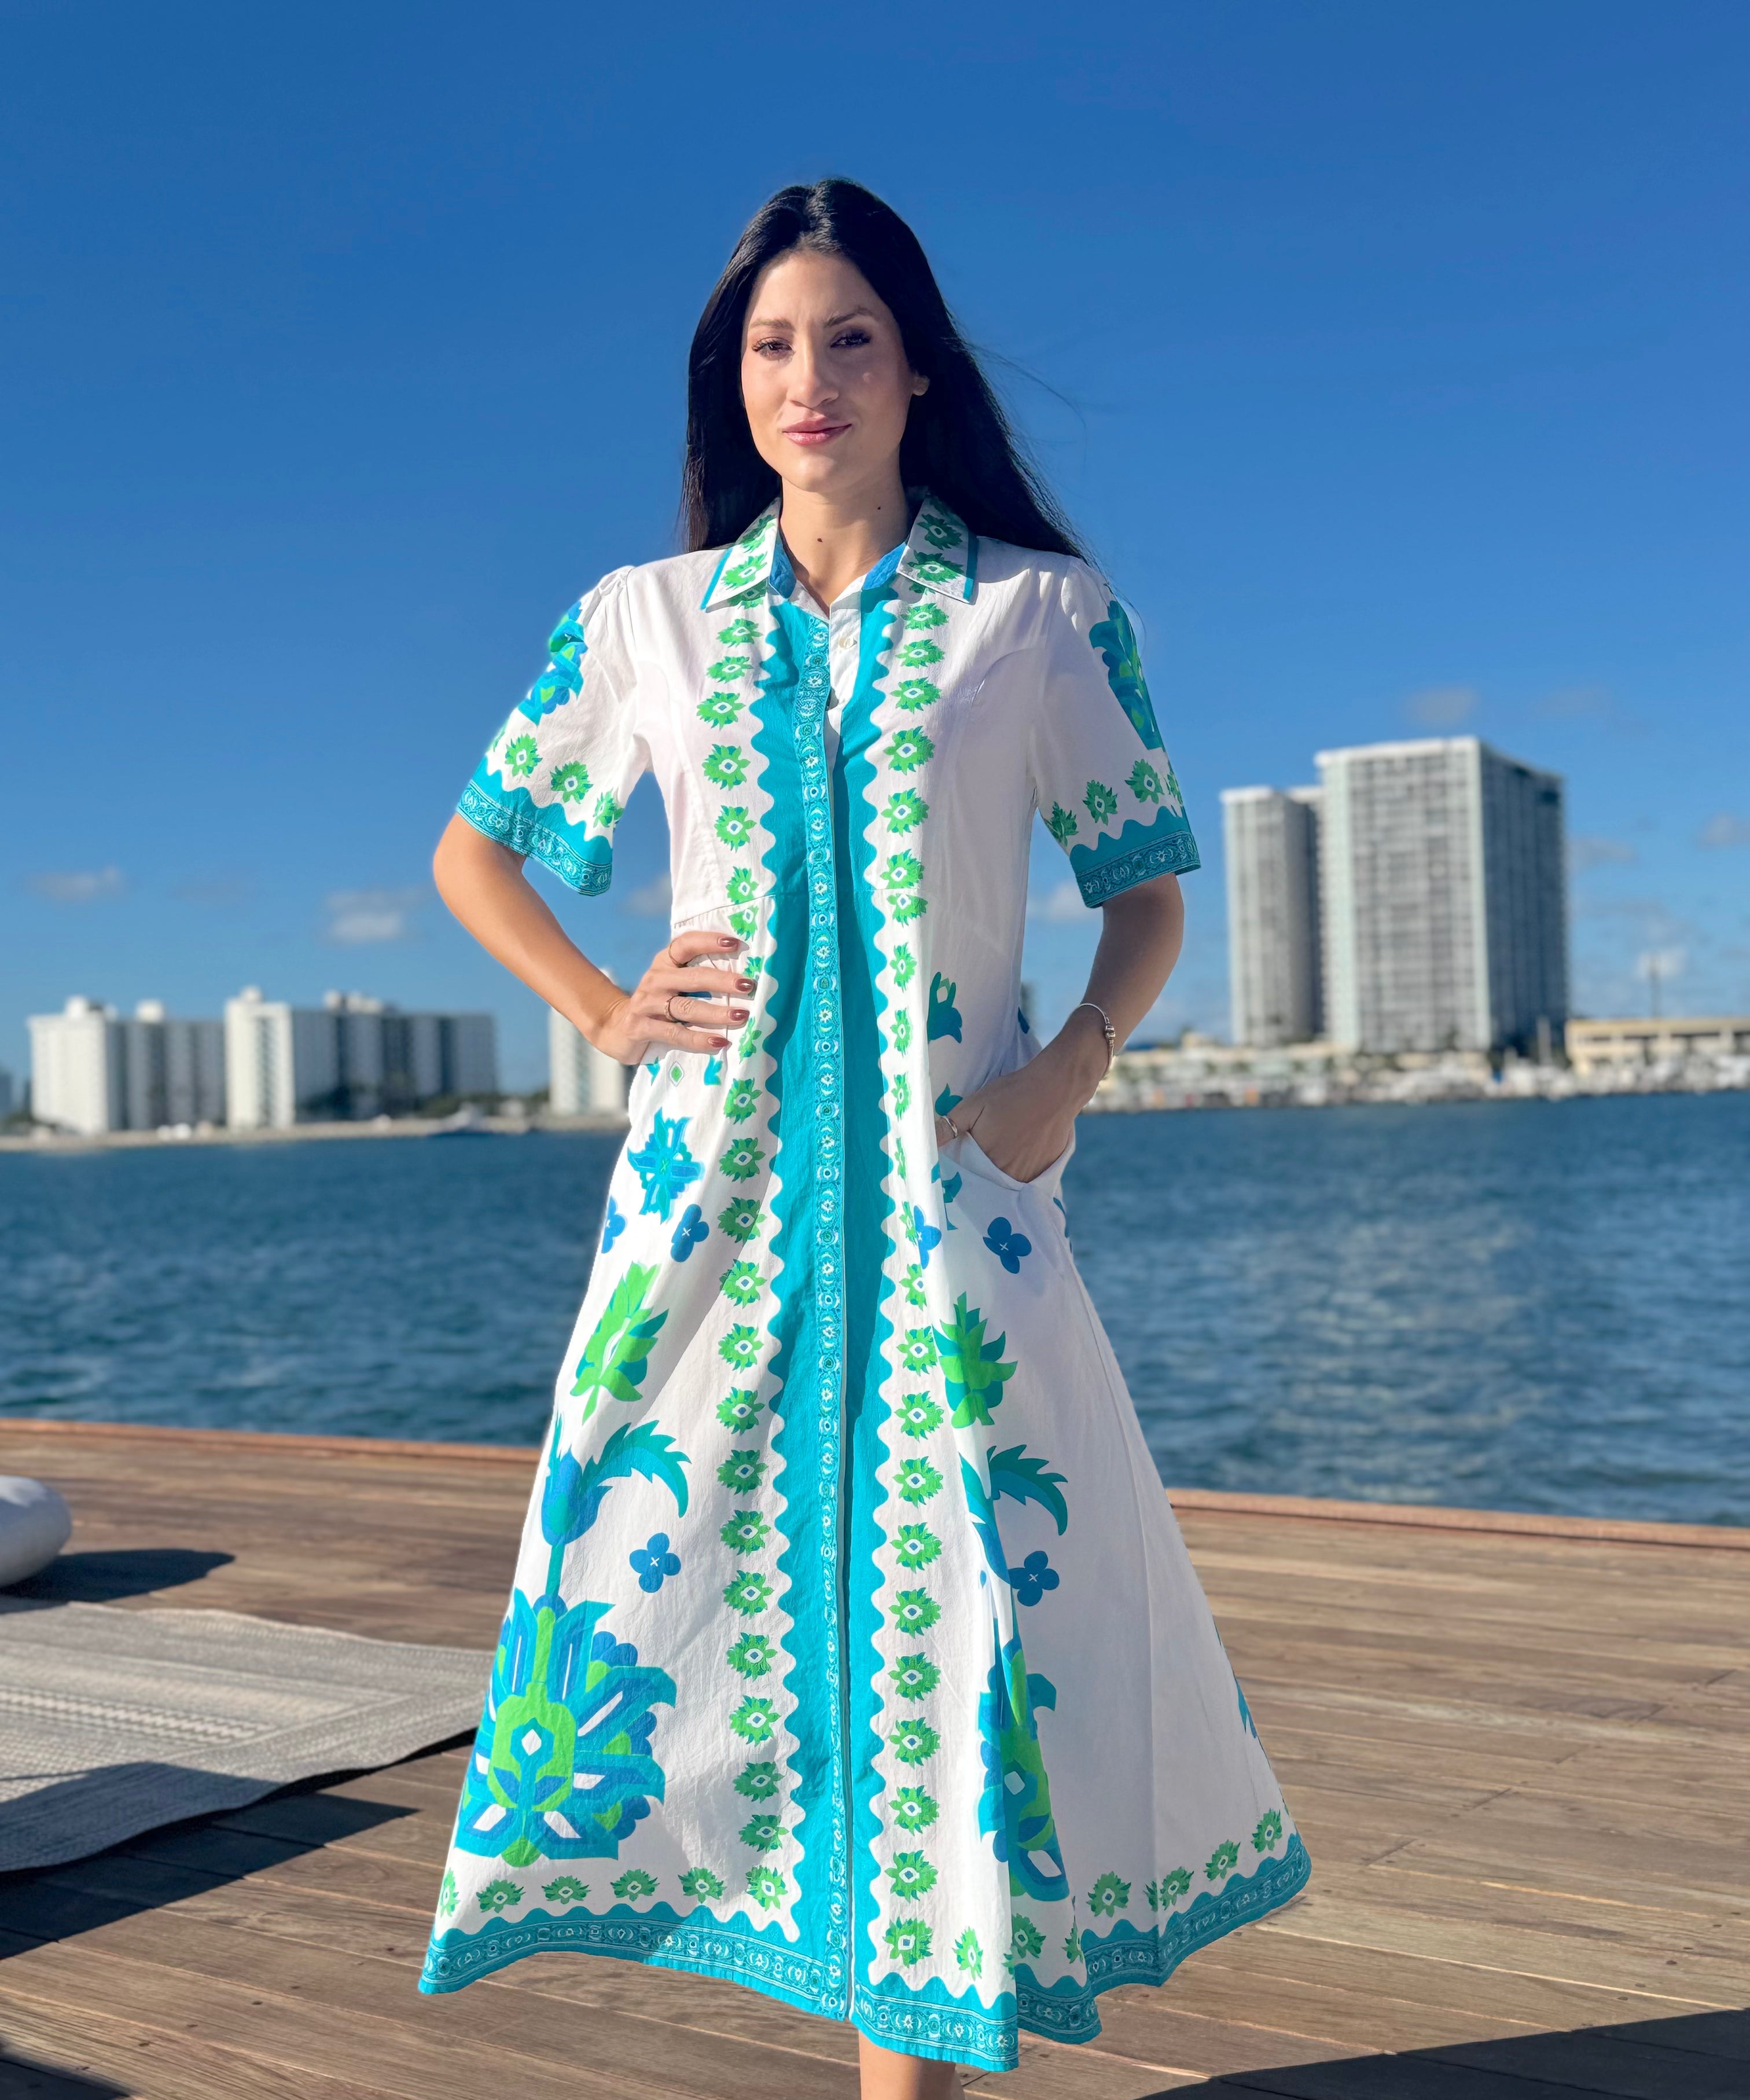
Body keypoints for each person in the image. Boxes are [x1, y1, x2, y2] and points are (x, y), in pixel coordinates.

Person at [420, 177, 1306, 2092]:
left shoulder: (1036, 615)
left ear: (916, 372)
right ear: (727, 383)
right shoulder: (646, 621)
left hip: (951, 1212)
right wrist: (597, 1008)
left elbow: (1149, 890)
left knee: (959, 1631)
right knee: (702, 1610)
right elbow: (475, 849)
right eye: (768, 345)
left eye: (845, 340)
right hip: (704, 1226)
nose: (804, 379)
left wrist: (1067, 1066)